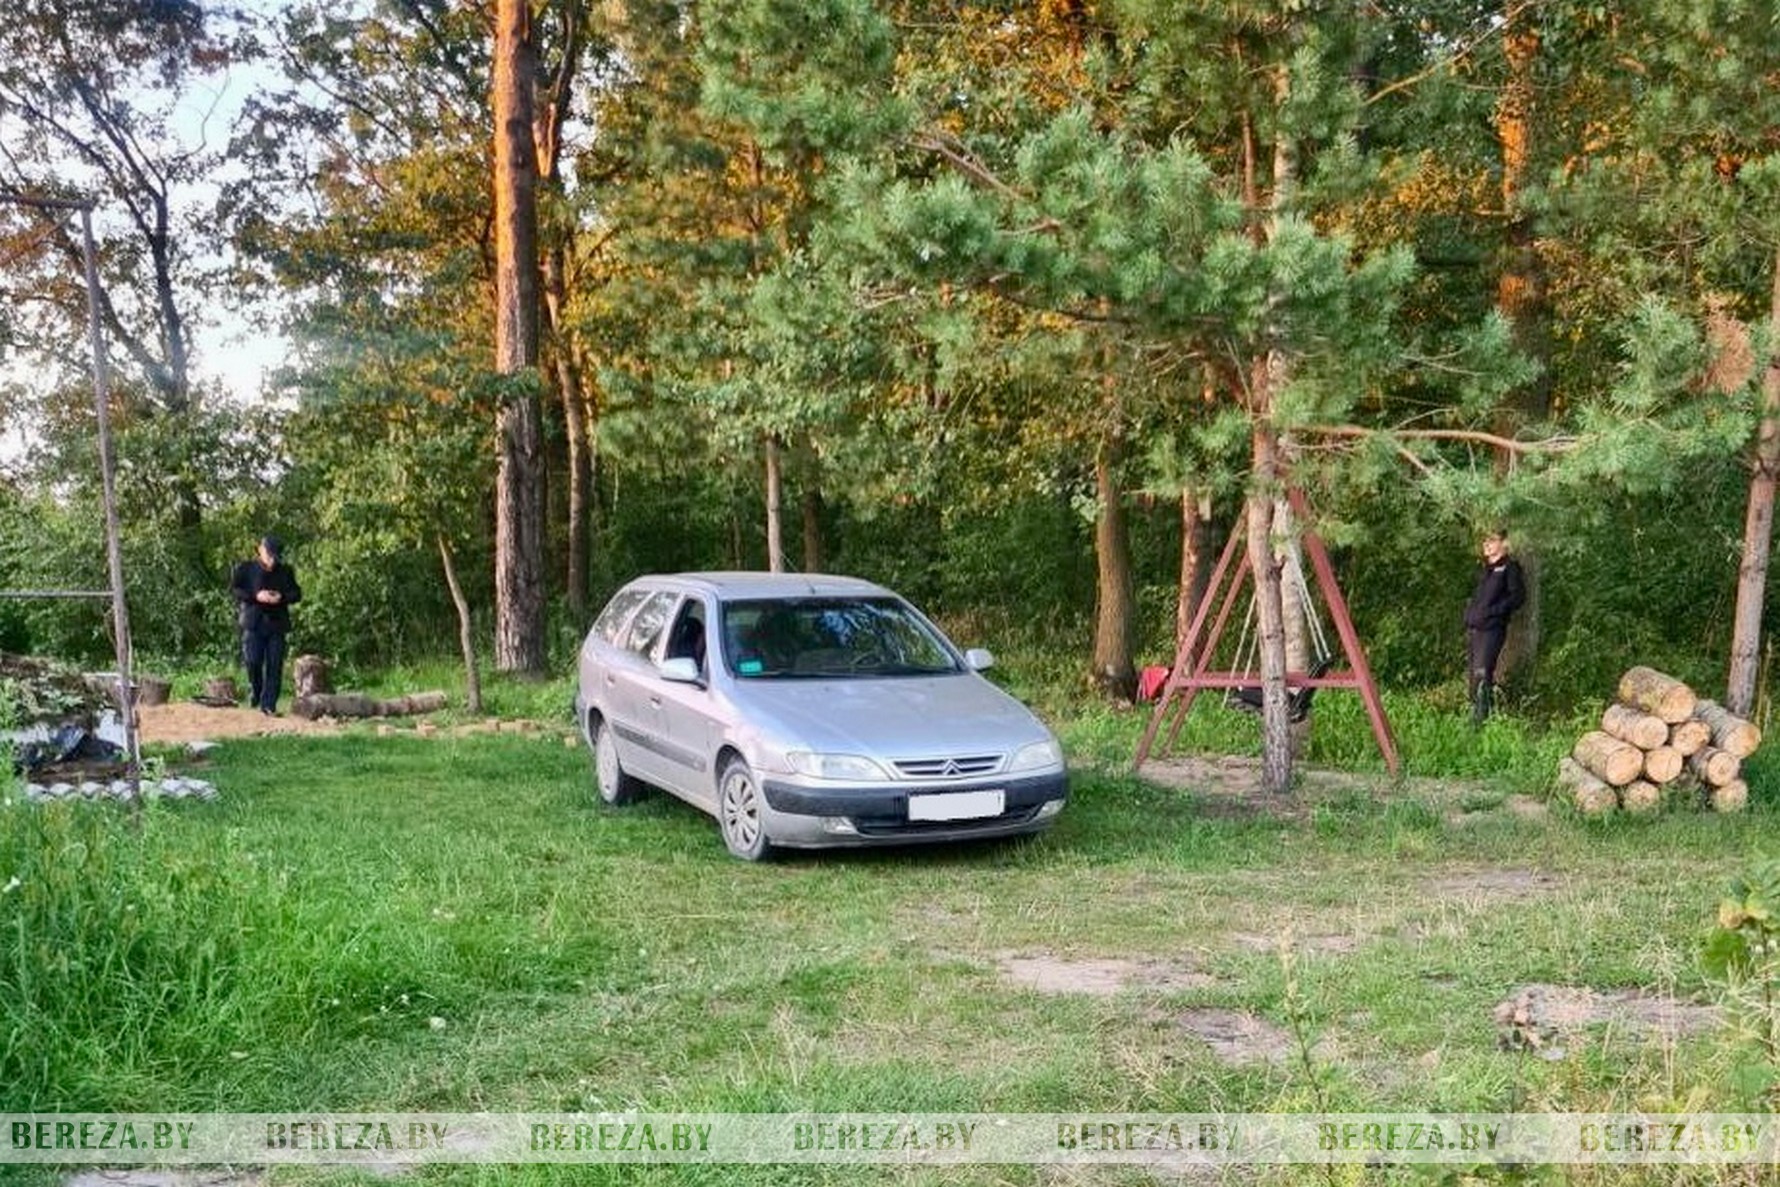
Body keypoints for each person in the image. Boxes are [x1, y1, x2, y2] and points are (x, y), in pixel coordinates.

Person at [231, 535, 302, 715]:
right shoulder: (246, 568)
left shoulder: (285, 571)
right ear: (260, 550)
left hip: (276, 624)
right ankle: (256, 691)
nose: (271, 560)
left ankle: (269, 704)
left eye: (275, 557)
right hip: (253, 623)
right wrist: (256, 596)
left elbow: (296, 593)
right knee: (253, 661)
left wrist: (281, 597)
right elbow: (235, 590)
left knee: (274, 665)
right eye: (268, 555)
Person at [1463, 527, 1525, 724]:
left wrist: (1493, 612)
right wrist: (1471, 614)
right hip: (1475, 628)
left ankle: (1481, 722)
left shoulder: (1510, 567)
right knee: (1474, 674)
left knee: (1483, 671)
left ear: (1503, 543)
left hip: (1492, 629)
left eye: (1491, 540)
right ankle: (1475, 717)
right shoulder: (1486, 570)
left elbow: (1517, 597)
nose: (1486, 545)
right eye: (1484, 541)